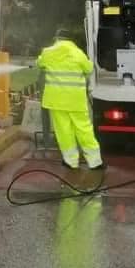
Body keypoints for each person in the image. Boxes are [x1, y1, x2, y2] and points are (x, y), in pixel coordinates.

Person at [37, 28, 104, 170]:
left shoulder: (47, 52)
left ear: (57, 38)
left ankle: (71, 161)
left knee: (64, 131)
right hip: (75, 101)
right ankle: (95, 162)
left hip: (55, 101)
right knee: (84, 129)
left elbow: (39, 63)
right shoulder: (78, 53)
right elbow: (89, 68)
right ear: (71, 40)